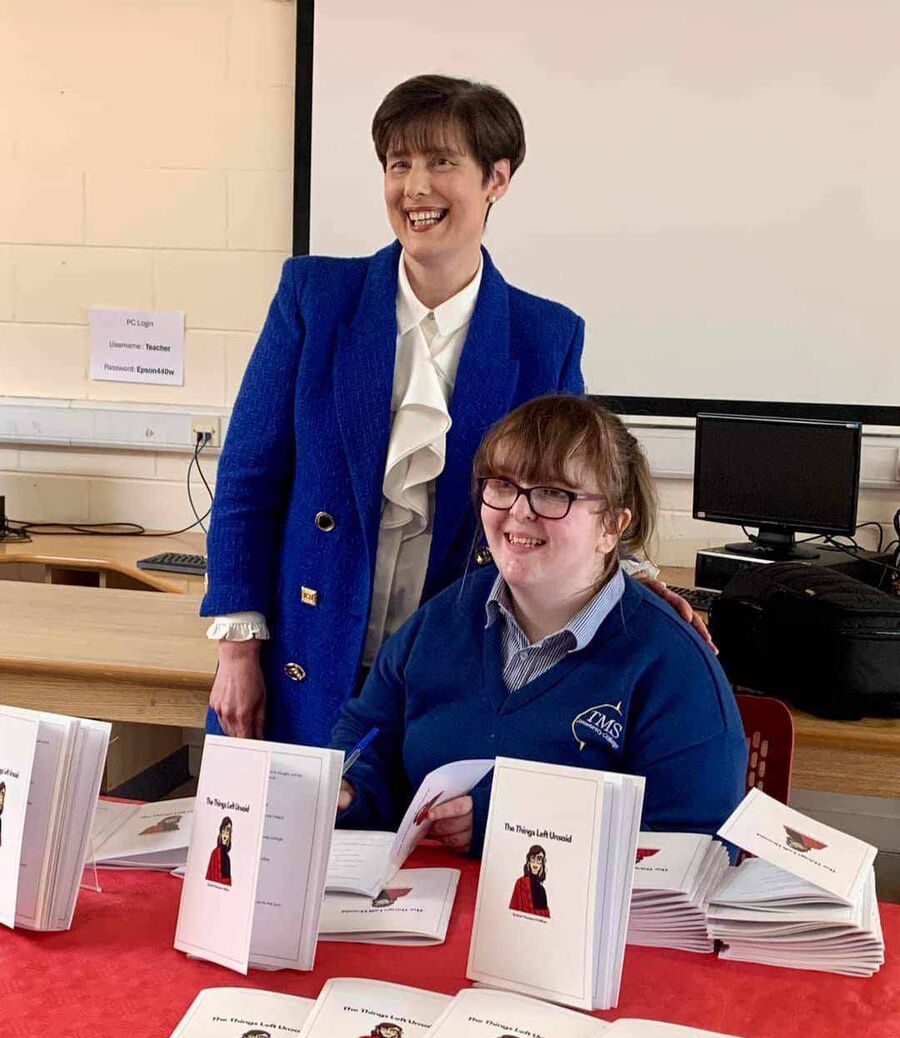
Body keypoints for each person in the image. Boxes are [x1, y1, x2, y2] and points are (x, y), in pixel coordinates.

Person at [202, 74, 704, 749]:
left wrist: (641, 587)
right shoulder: (315, 297)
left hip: (451, 671)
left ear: (497, 179)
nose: (415, 188)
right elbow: (247, 482)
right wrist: (237, 652)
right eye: (398, 163)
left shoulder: (544, 335)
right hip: (302, 656)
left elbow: (576, 497)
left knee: (418, 853)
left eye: (442, 162)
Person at [332, 394, 748, 857]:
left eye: (554, 493)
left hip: (582, 926)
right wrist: (351, 789)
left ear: (611, 526)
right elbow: (371, 734)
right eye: (503, 485)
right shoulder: (442, 619)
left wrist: (511, 828)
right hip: (425, 912)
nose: (520, 510)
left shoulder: (672, 667)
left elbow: (699, 848)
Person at [508, 845, 550, 917]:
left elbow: (545, 917)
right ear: (529, 861)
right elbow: (512, 910)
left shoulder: (542, 890)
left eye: (539, 859)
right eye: (533, 858)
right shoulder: (520, 883)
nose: (535, 862)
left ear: (542, 863)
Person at [205, 816, 233, 885]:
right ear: (220, 832)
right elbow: (210, 878)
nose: (225, 835)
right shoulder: (215, 853)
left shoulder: (227, 858)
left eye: (228, 831)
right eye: (224, 830)